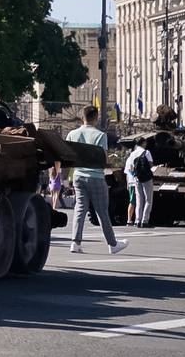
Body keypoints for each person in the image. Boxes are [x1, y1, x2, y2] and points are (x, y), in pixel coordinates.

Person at [66, 105, 128, 255]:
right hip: (96, 176)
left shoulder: (72, 134)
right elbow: (103, 158)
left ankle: (75, 243)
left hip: (78, 175)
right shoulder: (100, 135)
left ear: (82, 117)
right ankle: (112, 244)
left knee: (80, 209)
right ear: (96, 117)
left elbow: (67, 154)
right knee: (102, 211)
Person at [123, 136, 155, 228]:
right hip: (147, 178)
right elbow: (150, 164)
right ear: (143, 143)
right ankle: (145, 220)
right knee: (148, 200)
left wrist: (135, 175)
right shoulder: (146, 152)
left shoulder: (132, 154)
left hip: (137, 178)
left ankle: (138, 220)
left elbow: (131, 167)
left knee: (139, 200)